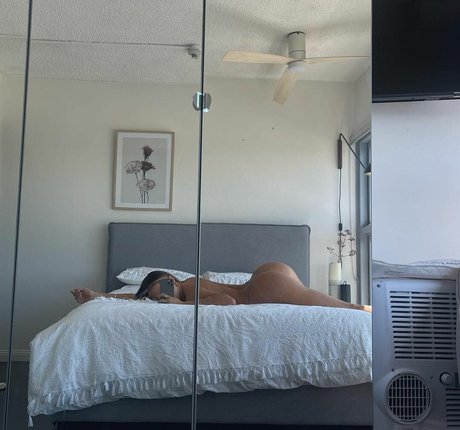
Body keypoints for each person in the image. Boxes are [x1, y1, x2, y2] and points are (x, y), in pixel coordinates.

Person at [71, 262, 371, 312]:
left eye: (163, 292)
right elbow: (137, 297)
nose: (162, 298)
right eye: (157, 298)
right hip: (265, 276)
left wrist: (182, 304)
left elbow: (228, 302)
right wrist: (100, 296)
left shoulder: (189, 290)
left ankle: (365, 308)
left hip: (263, 289)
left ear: (172, 280)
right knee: (316, 303)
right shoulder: (184, 285)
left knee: (343, 308)